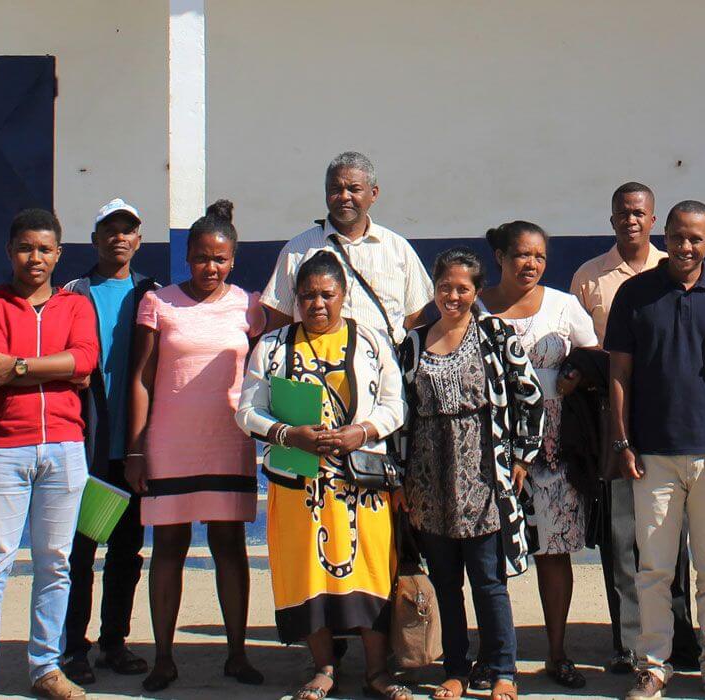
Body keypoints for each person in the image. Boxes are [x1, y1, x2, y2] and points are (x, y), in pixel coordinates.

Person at [237, 250, 412, 700]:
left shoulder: (370, 341)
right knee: (306, 574)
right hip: (299, 486)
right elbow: (247, 411)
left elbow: (396, 405)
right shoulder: (273, 346)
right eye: (308, 295)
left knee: (371, 574)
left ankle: (377, 671)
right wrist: (287, 433)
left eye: (327, 294)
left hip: (361, 487)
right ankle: (323, 668)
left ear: (343, 295)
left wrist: (362, 431)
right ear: (295, 298)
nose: (317, 303)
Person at [609, 201, 705, 700]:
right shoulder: (635, 293)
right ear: (663, 235)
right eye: (677, 236)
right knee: (654, 569)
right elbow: (619, 374)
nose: (685, 246)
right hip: (652, 454)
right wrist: (623, 441)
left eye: (696, 238)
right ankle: (653, 665)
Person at [122, 200, 268, 691]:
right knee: (169, 547)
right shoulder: (158, 303)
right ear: (187, 256)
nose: (212, 267)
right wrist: (137, 448)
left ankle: (237, 654)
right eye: (203, 257)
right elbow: (142, 378)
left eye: (221, 259)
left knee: (230, 547)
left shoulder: (248, 306)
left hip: (228, 443)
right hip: (169, 443)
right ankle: (163, 657)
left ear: (234, 260)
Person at [0, 209, 99, 700]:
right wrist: (54, 369)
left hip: (64, 447)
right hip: (4, 448)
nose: (34, 257)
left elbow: (85, 361)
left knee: (55, 562)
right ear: (10, 251)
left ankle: (46, 667)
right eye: (25, 247)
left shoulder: (76, 305)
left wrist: (20, 366)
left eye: (44, 249)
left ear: (58, 254)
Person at [396, 248, 544, 700]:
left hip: (482, 478)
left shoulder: (495, 335)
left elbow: (530, 396)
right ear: (434, 289)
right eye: (445, 287)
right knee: (445, 583)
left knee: (487, 581)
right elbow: (402, 413)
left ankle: (503, 670)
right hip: (428, 481)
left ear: (477, 291)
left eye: (463, 288)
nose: (453, 296)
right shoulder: (415, 342)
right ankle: (456, 669)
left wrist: (521, 457)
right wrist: (401, 478)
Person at [571, 182, 701, 675]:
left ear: (655, 222)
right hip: (616, 416)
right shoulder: (589, 277)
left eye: (640, 213)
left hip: (671, 416)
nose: (631, 220)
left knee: (674, 535)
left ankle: (680, 635)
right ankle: (629, 642)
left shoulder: (676, 268)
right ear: (612, 221)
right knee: (623, 535)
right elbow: (582, 350)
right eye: (623, 213)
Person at [478, 220, 601, 689]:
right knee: (491, 558)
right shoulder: (475, 305)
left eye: (539, 257)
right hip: (488, 451)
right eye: (521, 255)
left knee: (553, 553)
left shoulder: (564, 306)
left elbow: (596, 357)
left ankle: (556, 653)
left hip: (552, 452)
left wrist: (576, 375)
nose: (530, 264)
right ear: (501, 258)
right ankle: (495, 656)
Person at [60, 198, 158, 684]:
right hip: (85, 445)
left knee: (126, 552)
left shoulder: (153, 294)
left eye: (129, 230)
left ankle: (113, 643)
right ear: (95, 238)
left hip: (134, 447)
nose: (119, 238)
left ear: (138, 240)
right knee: (79, 554)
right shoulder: (71, 293)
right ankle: (72, 648)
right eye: (110, 230)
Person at [262, 151, 433, 343]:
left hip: (383, 370)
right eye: (336, 189)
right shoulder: (297, 250)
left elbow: (416, 322)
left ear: (373, 193)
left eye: (354, 189)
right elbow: (278, 327)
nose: (344, 196)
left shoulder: (399, 249)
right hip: (314, 369)